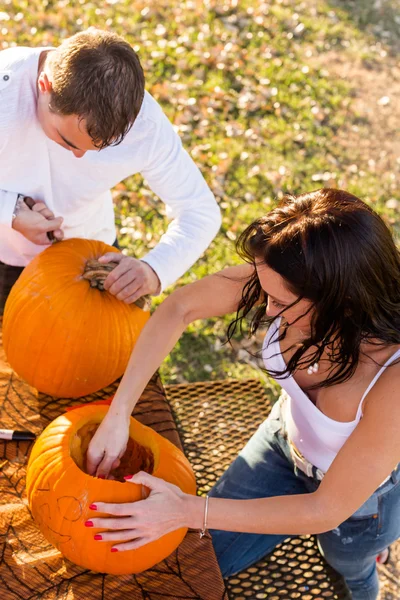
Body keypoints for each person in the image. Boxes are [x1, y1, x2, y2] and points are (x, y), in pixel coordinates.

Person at [85, 189, 400, 600]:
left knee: (347, 564)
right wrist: (119, 413)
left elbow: (326, 509)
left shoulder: (391, 380)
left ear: (341, 301)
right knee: (207, 556)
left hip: (357, 506)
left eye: (281, 302)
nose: (266, 309)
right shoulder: (284, 277)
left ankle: (367, 573)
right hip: (282, 444)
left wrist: (186, 509)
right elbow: (180, 308)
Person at [0, 28, 221, 312]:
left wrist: (154, 270)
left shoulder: (145, 126)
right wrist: (10, 212)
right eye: (68, 141)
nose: (79, 156)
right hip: (7, 256)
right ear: (44, 85)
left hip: (92, 254)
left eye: (99, 149)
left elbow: (199, 211)